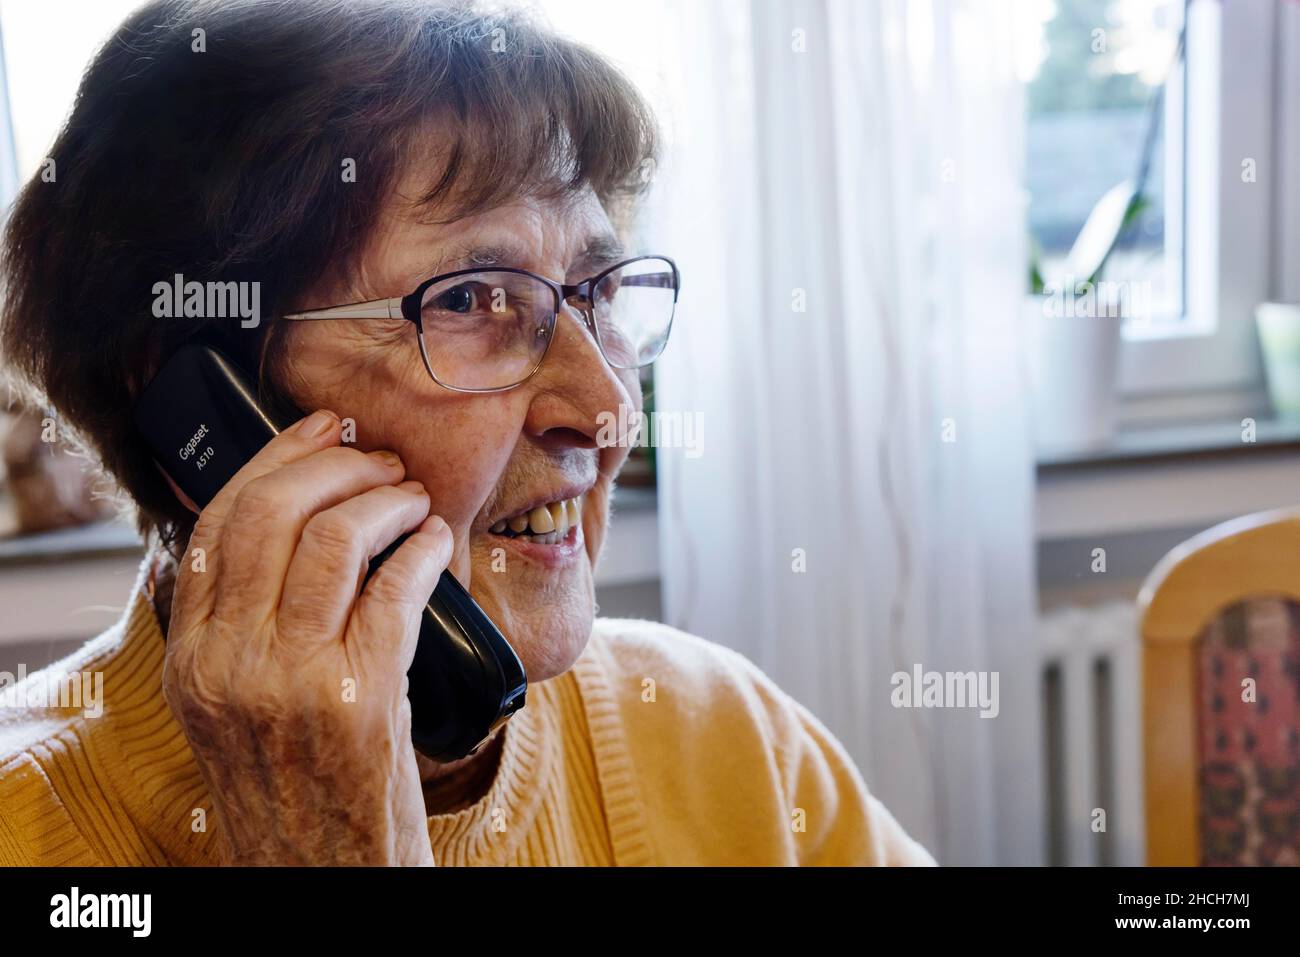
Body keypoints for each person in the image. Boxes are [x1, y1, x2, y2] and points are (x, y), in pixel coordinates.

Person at [0, 0, 933, 866]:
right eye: (470, 299)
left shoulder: (725, 739)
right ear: (197, 412)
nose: (606, 408)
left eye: (598, 293)